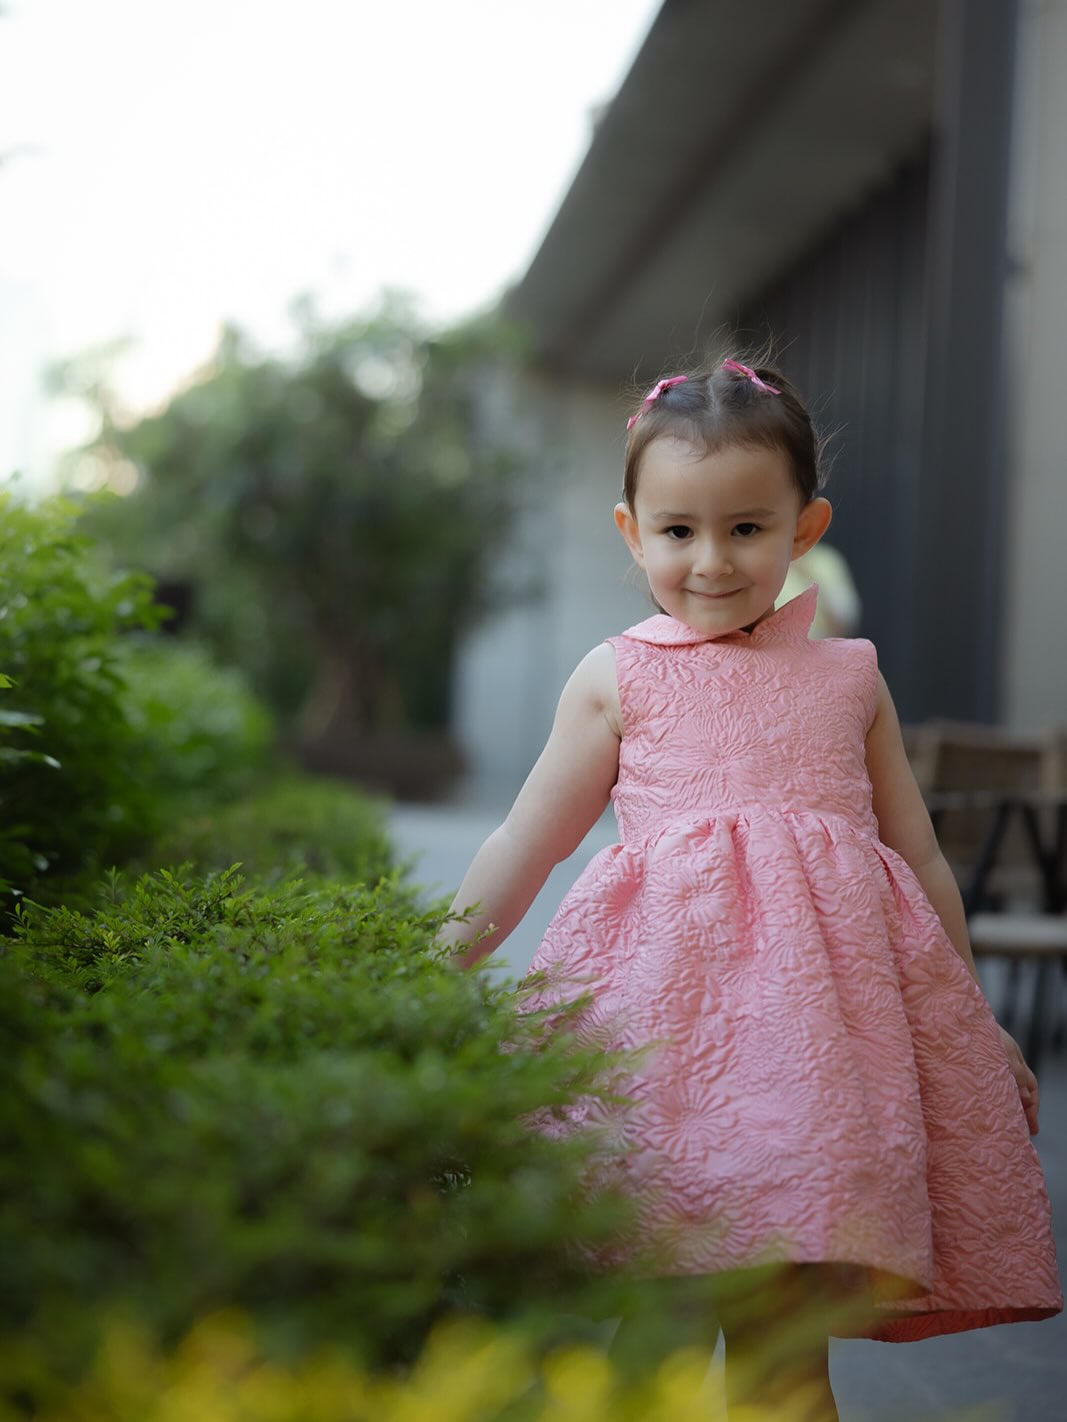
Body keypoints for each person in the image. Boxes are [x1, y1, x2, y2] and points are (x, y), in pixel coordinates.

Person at [439, 357, 1062, 1419]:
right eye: (677, 531)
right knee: (661, 1325)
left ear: (803, 526)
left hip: (815, 1070)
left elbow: (915, 858)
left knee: (782, 1346)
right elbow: (524, 842)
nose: (712, 560)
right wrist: (439, 956)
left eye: (745, 528)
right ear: (632, 532)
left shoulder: (849, 677)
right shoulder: (616, 676)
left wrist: (971, 1014)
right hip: (663, 1054)